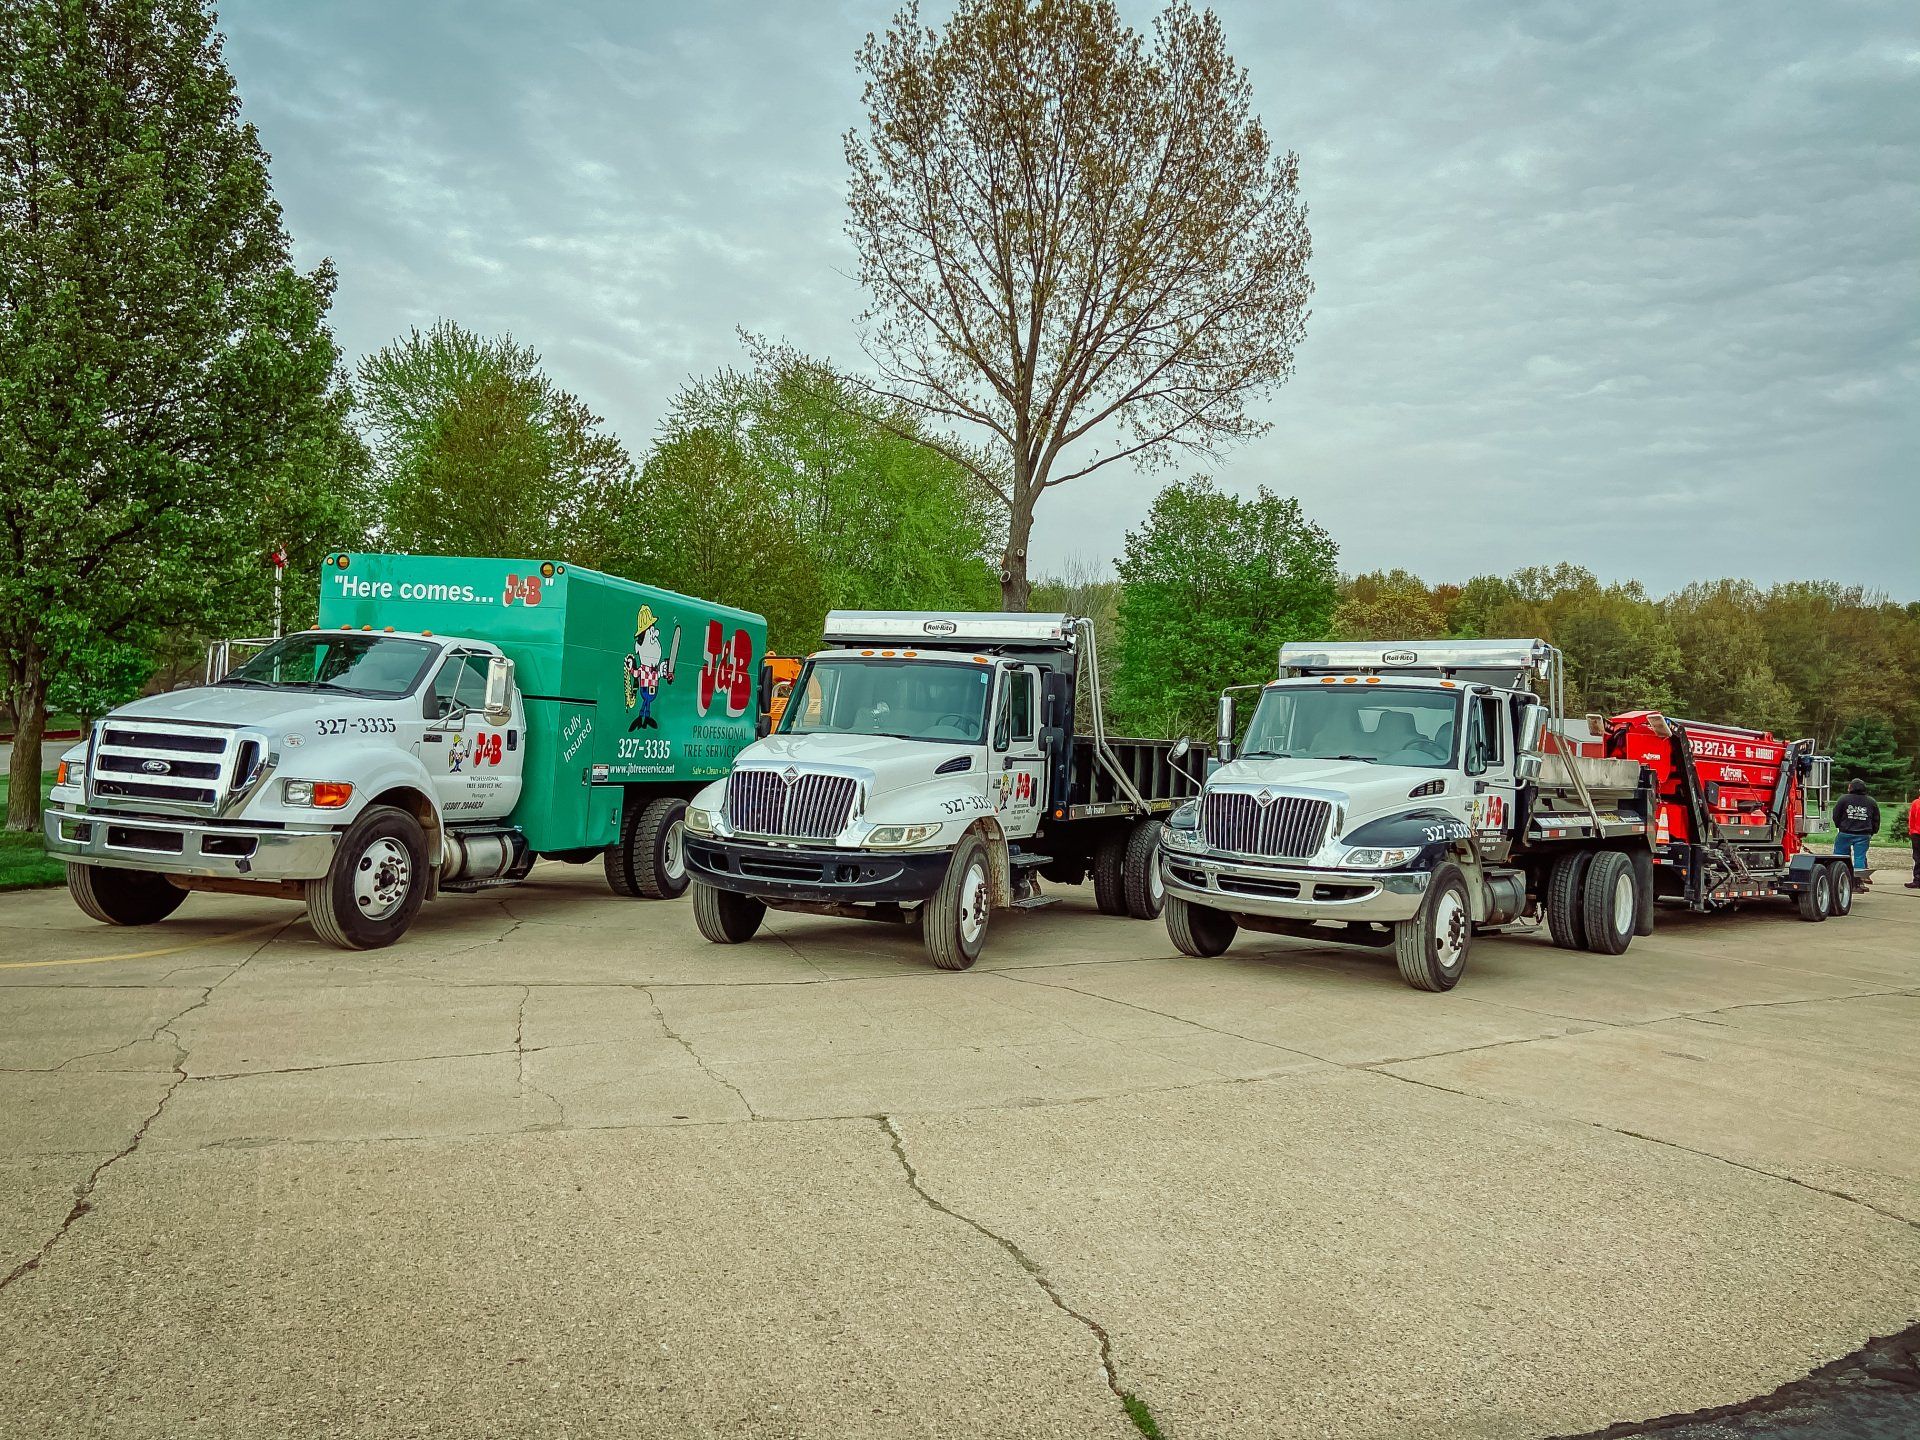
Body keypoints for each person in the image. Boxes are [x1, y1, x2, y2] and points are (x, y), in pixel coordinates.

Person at [1830, 778, 1880, 888]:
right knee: (1860, 858)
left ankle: (1840, 879)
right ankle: (1858, 882)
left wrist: (1839, 826)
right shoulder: (1871, 801)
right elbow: (1876, 819)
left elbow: (1836, 815)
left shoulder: (1843, 799)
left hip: (1845, 833)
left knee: (1840, 856)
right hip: (1863, 834)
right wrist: (1872, 831)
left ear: (1851, 787)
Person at [1906, 788, 1920, 891]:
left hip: (1916, 833)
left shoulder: (1916, 803)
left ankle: (1917, 879)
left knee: (1918, 857)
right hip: (1916, 833)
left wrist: (1911, 831)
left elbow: (1911, 818)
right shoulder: (1916, 803)